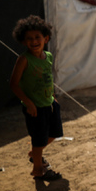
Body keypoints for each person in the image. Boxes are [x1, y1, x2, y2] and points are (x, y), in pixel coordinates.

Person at [10, 15, 62, 181]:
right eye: (29, 39)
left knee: (54, 133)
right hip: (34, 109)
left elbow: (48, 78)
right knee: (38, 140)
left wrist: (53, 96)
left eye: (37, 37)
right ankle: (38, 170)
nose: (34, 41)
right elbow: (14, 84)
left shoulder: (48, 56)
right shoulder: (24, 60)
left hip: (49, 104)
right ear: (24, 42)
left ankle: (35, 154)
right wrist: (28, 103)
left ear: (45, 38)